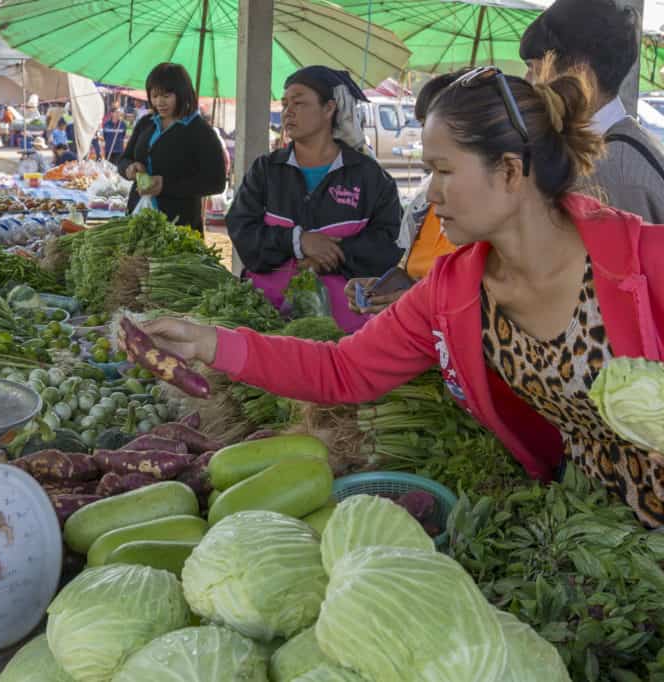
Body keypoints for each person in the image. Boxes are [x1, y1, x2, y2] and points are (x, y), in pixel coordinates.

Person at [130, 68, 664, 529]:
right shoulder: (455, 292)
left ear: (509, 170)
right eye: (429, 170)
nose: (430, 192)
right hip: (598, 534)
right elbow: (343, 370)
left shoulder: (644, 262)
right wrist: (210, 343)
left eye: (445, 171)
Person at [226, 66, 404, 332]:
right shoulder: (267, 170)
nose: (288, 111)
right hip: (266, 319)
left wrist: (333, 254)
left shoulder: (369, 177)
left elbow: (388, 241)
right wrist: (298, 241)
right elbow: (242, 229)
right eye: (285, 104)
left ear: (329, 108)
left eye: (299, 103)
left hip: (344, 329)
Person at [520, 0, 664, 223]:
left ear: (580, 76)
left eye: (534, 69)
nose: (528, 82)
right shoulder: (628, 145)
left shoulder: (608, 173)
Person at [344, 70, 466, 316]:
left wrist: (417, 302)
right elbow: (410, 272)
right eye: (422, 125)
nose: (425, 135)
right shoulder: (424, 200)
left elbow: (475, 296)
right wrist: (381, 287)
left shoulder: (487, 214)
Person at [117, 63, 227, 232]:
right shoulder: (146, 123)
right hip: (138, 217)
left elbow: (215, 183)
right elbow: (124, 159)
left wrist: (166, 185)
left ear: (182, 93)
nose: (159, 102)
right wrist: (129, 169)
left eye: (166, 96)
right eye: (154, 96)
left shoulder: (201, 132)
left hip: (179, 225)